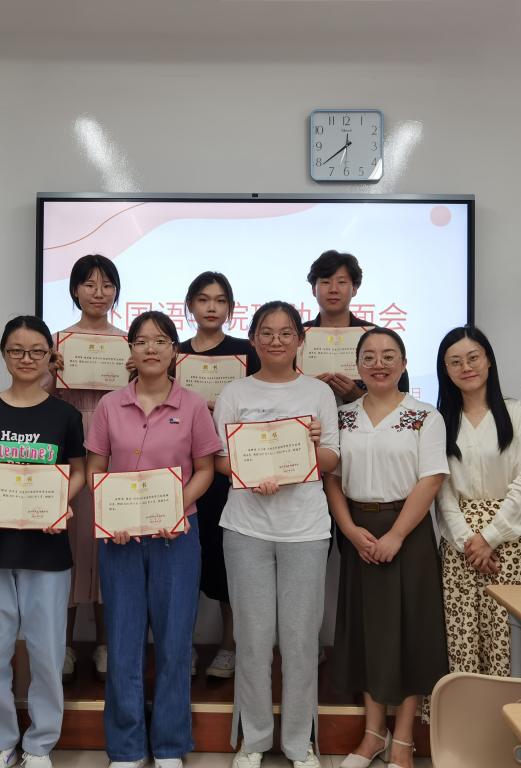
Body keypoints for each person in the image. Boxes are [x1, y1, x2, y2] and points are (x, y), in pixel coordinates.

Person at [86, 310, 220, 768]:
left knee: (174, 642)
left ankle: (168, 745)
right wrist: (110, 512)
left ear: (174, 351)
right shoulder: (109, 406)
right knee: (122, 641)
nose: (151, 349)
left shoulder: (193, 405)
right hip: (120, 539)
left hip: (176, 536)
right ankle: (126, 747)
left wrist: (177, 505)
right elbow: (95, 468)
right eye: (142, 341)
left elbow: (205, 470)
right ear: (131, 350)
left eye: (161, 341)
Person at [0, 315, 86, 768]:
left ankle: (40, 743)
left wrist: (60, 503)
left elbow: (78, 471)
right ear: (4, 354)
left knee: (47, 651)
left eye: (36, 351)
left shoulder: (65, 415)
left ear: (50, 356)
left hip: (46, 549)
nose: (26, 359)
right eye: (16, 350)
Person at [213, 301, 339, 768]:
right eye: (266, 332)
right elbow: (220, 460)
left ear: (300, 340)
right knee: (252, 638)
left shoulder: (318, 394)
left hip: (305, 529)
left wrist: (307, 449)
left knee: (301, 641)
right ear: (253, 339)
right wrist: (251, 472)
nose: (276, 341)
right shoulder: (235, 392)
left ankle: (299, 742)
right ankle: (254, 739)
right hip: (246, 527)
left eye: (286, 333)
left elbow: (332, 458)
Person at [324, 328, 448, 768]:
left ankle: (403, 739)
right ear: (358, 365)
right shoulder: (342, 417)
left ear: (404, 362)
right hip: (358, 531)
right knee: (367, 632)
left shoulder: (424, 416)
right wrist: (348, 529)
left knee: (411, 632)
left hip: (408, 532)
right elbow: (332, 479)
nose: (379, 364)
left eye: (389, 355)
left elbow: (431, 479)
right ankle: (373, 734)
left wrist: (396, 534)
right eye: (370, 356)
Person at [434, 326, 521, 677]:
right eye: (455, 362)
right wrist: (470, 542)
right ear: (445, 370)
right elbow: (443, 491)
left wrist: (489, 538)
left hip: (507, 540)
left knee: (507, 635)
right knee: (461, 635)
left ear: (489, 360)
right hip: (459, 543)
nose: (466, 367)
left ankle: (513, 708)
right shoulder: (440, 422)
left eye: (473, 357)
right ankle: (465, 710)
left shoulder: (519, 415)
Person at [43, 254, 126, 682]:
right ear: (75, 290)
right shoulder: (56, 344)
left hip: (118, 452)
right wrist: (49, 374)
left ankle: (109, 645)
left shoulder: (130, 344)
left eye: (107, 284)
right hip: (71, 450)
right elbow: (38, 400)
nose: (99, 292)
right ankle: (66, 645)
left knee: (112, 545)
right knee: (71, 547)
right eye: (89, 284)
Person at [178, 271, 260, 680]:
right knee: (183, 566)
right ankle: (184, 646)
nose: (212, 307)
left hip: (231, 472)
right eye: (203, 299)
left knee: (228, 564)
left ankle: (230, 646)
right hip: (182, 471)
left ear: (230, 307)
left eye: (220, 300)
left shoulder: (248, 352)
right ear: (190, 305)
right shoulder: (173, 353)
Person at [304, 250, 410, 400]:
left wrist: (358, 396)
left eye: (341, 282)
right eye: (325, 282)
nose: (333, 289)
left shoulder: (376, 336)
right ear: (314, 289)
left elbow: (401, 391)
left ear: (354, 289)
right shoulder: (297, 336)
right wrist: (307, 390)